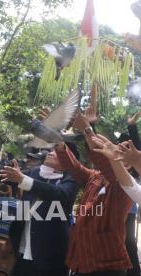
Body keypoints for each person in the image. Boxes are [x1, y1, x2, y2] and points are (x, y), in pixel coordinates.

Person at [56, 112, 133, 276]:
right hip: (82, 259)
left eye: (121, 153)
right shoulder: (96, 176)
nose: (115, 154)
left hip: (106, 266)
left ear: (129, 164)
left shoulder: (125, 185)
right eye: (116, 150)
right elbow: (75, 168)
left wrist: (87, 130)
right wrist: (59, 145)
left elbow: (106, 163)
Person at [0, 145, 79, 276]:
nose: (51, 153)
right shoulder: (35, 172)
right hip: (24, 247)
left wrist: (25, 180)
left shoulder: (71, 179)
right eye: (52, 150)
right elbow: (10, 177)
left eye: (57, 153)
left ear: (69, 160)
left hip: (50, 253)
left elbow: (59, 193)